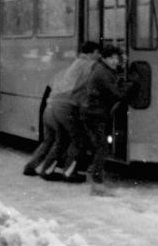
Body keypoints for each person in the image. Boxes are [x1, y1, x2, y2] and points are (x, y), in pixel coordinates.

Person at [23, 41, 101, 182]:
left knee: (52, 139)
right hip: (65, 107)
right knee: (78, 140)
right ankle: (67, 172)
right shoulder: (88, 64)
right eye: (97, 53)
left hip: (50, 106)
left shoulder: (74, 64)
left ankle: (32, 166)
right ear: (91, 53)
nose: (99, 56)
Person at [84, 45, 135, 196]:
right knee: (102, 148)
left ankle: (93, 176)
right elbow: (117, 93)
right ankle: (97, 185)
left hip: (96, 113)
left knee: (100, 146)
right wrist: (131, 84)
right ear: (104, 58)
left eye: (116, 58)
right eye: (111, 58)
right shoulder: (102, 73)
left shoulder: (104, 70)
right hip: (95, 114)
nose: (114, 61)